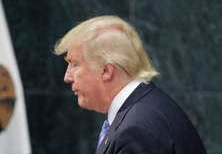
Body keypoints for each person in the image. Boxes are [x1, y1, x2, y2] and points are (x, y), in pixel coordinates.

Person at [53, 15, 206, 154]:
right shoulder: (147, 107)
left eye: (74, 64)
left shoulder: (137, 130)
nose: (67, 77)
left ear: (106, 71)